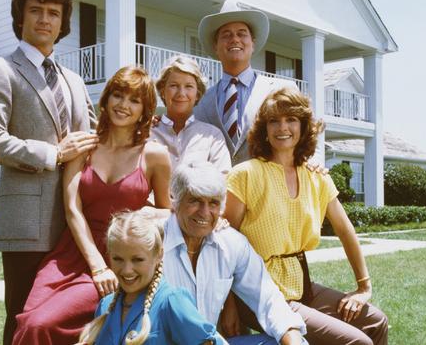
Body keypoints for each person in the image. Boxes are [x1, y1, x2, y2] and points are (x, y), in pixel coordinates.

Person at [0, 0, 97, 343]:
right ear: (20, 18)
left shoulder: (75, 80)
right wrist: (54, 154)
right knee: (23, 317)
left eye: (53, 13)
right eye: (36, 11)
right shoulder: (0, 69)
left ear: (62, 22)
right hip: (26, 224)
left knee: (72, 319)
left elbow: (95, 137)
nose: (45, 19)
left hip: (79, 224)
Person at [12, 66, 172, 344]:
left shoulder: (155, 156)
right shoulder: (83, 146)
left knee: (41, 324)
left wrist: (146, 214)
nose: (123, 105)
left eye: (134, 100)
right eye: (118, 96)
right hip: (71, 253)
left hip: (120, 258)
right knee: (29, 319)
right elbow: (72, 209)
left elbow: (167, 212)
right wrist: (97, 266)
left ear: (145, 110)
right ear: (107, 98)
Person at [223, 89, 388, 345]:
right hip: (258, 292)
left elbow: (345, 231)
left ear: (303, 126)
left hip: (301, 284)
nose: (282, 128)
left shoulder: (317, 177)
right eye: (274, 121)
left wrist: (363, 287)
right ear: (264, 129)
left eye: (291, 120)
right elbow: (224, 245)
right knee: (357, 342)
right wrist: (228, 305)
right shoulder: (245, 174)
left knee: (376, 321)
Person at [160, 162, 307, 345]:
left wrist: (291, 334)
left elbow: (267, 297)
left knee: (291, 340)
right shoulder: (153, 242)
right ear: (175, 200)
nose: (205, 213)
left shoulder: (230, 242)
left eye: (213, 203)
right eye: (195, 200)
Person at [78, 210, 227, 345]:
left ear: (159, 255)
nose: (127, 270)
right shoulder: (105, 305)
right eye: (118, 259)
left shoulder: (171, 302)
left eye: (137, 259)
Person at [193, 0, 298, 166]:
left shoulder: (282, 89)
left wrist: (314, 164)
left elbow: (308, 137)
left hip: (269, 189)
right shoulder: (200, 102)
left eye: (241, 33)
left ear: (253, 43)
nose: (234, 39)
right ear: (215, 46)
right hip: (218, 190)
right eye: (226, 35)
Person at [150, 56, 231, 173]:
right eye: (174, 85)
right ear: (162, 91)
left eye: (189, 86)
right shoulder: (147, 132)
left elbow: (223, 181)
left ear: (197, 94)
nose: (181, 93)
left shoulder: (212, 136)